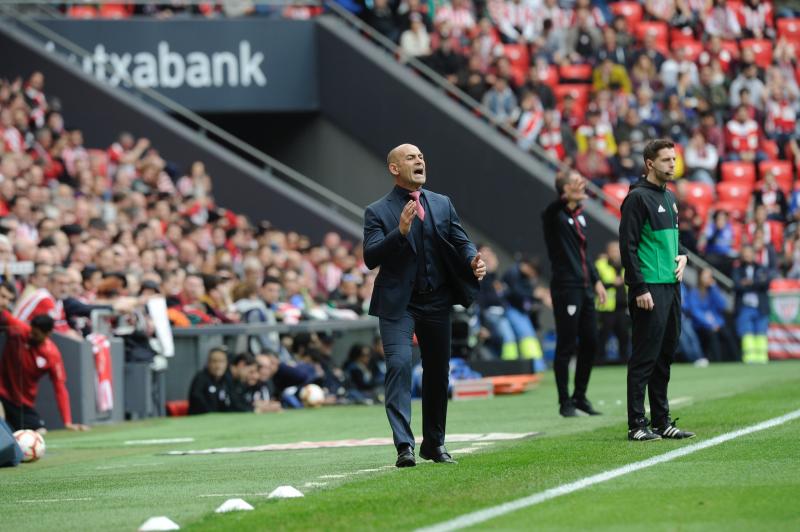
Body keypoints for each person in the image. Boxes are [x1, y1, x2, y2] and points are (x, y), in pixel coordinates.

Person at [363, 143, 484, 468]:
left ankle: (434, 443)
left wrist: (473, 259)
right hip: (398, 303)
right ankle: (405, 446)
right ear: (394, 168)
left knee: (437, 374)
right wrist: (400, 232)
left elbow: (461, 239)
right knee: (400, 365)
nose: (419, 160)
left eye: (420, 156)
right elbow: (370, 256)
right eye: (410, 157)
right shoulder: (377, 211)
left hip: (437, 300)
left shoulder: (442, 203)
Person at [619, 139, 695, 441]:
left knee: (665, 354)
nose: (672, 165)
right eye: (666, 160)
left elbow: (672, 239)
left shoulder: (671, 197)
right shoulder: (637, 198)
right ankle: (637, 423)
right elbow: (628, 245)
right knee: (644, 356)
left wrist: (683, 253)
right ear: (650, 164)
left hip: (671, 287)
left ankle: (662, 421)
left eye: (674, 160)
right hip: (648, 288)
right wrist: (638, 287)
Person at [542, 172, 607, 417]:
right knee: (566, 344)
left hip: (585, 287)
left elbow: (584, 253)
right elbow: (549, 210)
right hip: (566, 287)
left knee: (591, 341)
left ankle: (580, 396)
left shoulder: (580, 217)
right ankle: (564, 401)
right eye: (574, 184)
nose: (581, 187)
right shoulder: (554, 216)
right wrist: (563, 197)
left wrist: (597, 280)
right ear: (564, 190)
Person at [0, 281, 89, 433]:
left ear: (48, 334)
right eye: (31, 331)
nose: (31, 336)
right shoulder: (20, 330)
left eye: (36, 335)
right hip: (2, 391)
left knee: (40, 432)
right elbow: (4, 315)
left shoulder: (51, 354)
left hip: (23, 401)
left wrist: (67, 421)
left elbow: (60, 388)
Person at [731, 245, 773, 364]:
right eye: (744, 253)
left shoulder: (762, 268)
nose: (747, 255)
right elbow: (736, 286)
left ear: (754, 254)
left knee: (761, 333)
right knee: (746, 333)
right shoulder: (737, 269)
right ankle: (749, 359)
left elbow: (766, 283)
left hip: (761, 306)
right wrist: (755, 283)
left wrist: (749, 283)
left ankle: (762, 358)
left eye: (749, 253)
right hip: (744, 307)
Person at [595, 240, 629, 364]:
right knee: (603, 334)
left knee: (624, 334)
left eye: (617, 251)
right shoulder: (600, 264)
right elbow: (595, 283)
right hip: (606, 307)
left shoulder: (625, 264)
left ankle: (624, 359)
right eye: (613, 251)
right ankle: (599, 360)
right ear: (607, 252)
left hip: (622, 306)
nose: (615, 253)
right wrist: (611, 284)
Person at [187, 346, 231, 415]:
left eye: (221, 361)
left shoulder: (227, 379)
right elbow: (197, 400)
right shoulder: (200, 379)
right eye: (214, 361)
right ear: (208, 363)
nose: (218, 366)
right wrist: (213, 415)